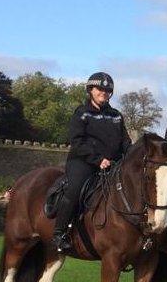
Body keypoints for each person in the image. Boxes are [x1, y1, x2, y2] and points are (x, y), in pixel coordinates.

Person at [52, 72, 131, 253]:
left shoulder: (116, 115)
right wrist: (97, 159)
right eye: (99, 89)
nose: (103, 92)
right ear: (91, 90)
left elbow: (125, 142)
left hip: (112, 164)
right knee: (74, 189)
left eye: (107, 90)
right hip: (83, 162)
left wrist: (131, 156)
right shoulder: (82, 112)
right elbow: (77, 141)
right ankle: (59, 233)